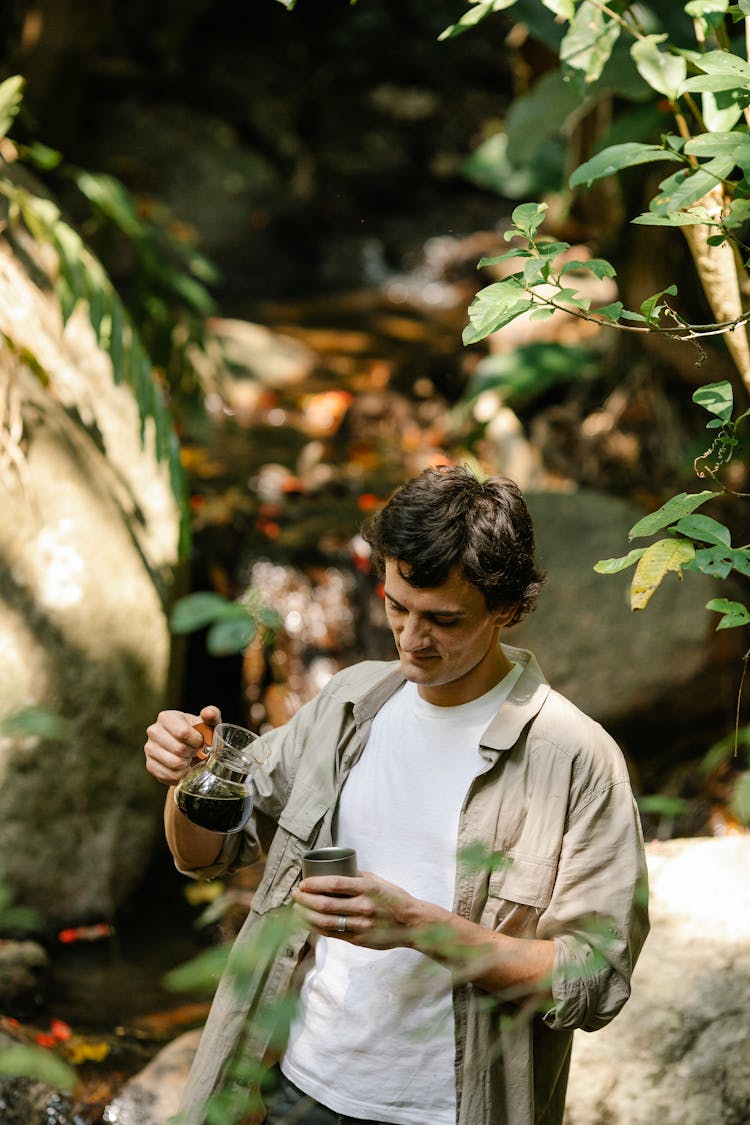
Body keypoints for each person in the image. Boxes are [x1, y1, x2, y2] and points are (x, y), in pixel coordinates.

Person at [144, 464, 649, 1125]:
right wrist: (186, 778)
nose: (411, 639)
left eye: (443, 619)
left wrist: (420, 927)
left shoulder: (575, 759)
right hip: (303, 1091)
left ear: (506, 608)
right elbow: (208, 853)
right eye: (396, 606)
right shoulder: (349, 702)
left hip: (458, 1110)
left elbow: (595, 978)